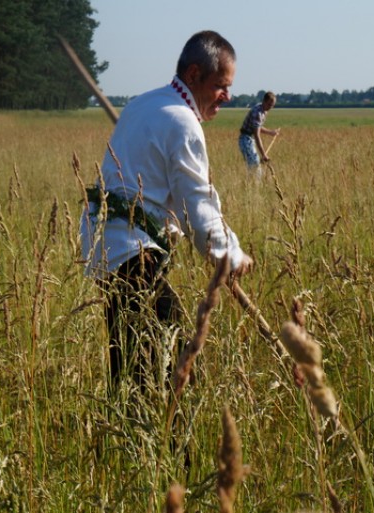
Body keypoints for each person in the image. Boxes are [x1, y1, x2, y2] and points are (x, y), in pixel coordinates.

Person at [79, 30, 254, 385]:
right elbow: (198, 207)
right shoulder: (182, 121)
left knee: (133, 362)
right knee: (171, 369)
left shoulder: (144, 104)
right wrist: (230, 257)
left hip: (108, 247)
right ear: (193, 75)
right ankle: (166, 439)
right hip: (132, 253)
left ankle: (136, 432)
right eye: (221, 85)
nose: (227, 96)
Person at [238, 91, 280, 178]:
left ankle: (254, 184)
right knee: (254, 165)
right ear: (264, 101)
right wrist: (263, 154)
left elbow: (258, 127)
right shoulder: (257, 113)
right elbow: (257, 135)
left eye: (272, 105)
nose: (270, 107)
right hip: (246, 140)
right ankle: (253, 186)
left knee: (254, 165)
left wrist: (271, 132)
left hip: (250, 139)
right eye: (269, 104)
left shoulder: (263, 110)